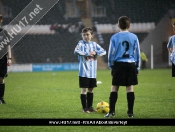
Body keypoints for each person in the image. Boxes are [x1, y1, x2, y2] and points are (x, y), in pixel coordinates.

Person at [105, 16, 140, 118]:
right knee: (130, 88)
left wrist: (111, 66)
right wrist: (137, 67)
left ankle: (111, 112)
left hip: (119, 64)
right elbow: (137, 53)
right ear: (129, 25)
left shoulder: (114, 37)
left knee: (114, 87)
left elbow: (111, 54)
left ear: (118, 25)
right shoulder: (134, 37)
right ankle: (130, 112)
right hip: (130, 64)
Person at [74, 27, 106, 113]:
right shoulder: (81, 43)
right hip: (84, 72)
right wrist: (87, 54)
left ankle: (90, 107)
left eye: (87, 34)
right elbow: (76, 51)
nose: (85, 36)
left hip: (92, 73)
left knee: (91, 89)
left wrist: (96, 53)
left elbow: (104, 51)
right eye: (83, 35)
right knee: (84, 89)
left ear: (92, 35)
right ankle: (84, 108)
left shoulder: (94, 45)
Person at [0, 14, 12, 104]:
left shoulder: (4, 32)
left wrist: (10, 58)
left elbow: (8, 46)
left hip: (2, 59)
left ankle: (1, 99)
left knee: (1, 79)